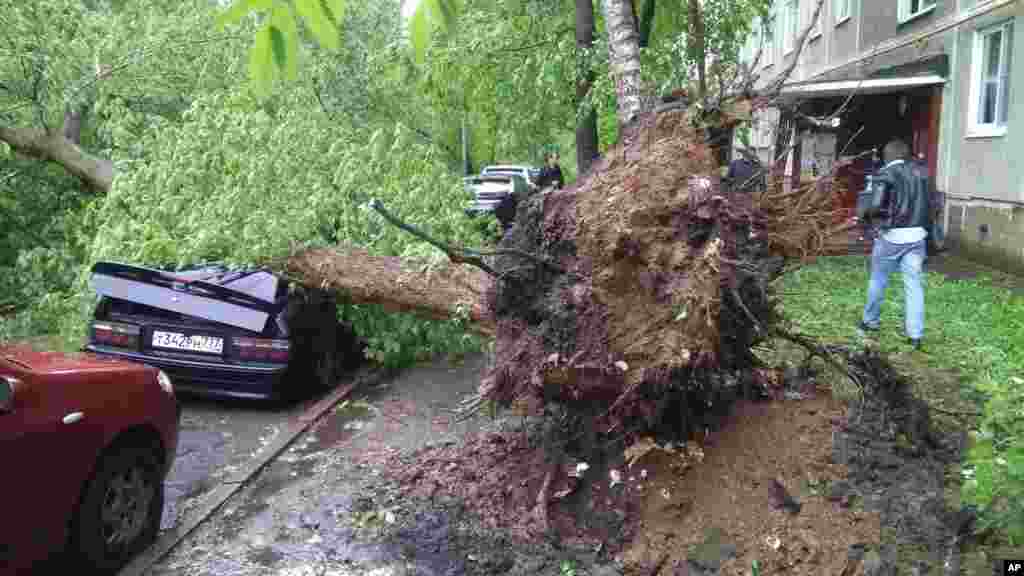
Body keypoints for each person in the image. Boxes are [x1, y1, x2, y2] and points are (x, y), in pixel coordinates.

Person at [856, 139, 931, 350]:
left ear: (887, 156)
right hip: (917, 237)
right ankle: (915, 335)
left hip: (891, 237)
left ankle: (870, 322)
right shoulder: (922, 174)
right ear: (906, 156)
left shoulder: (885, 174)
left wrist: (865, 215)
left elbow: (877, 205)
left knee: (878, 279)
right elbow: (934, 204)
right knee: (914, 285)